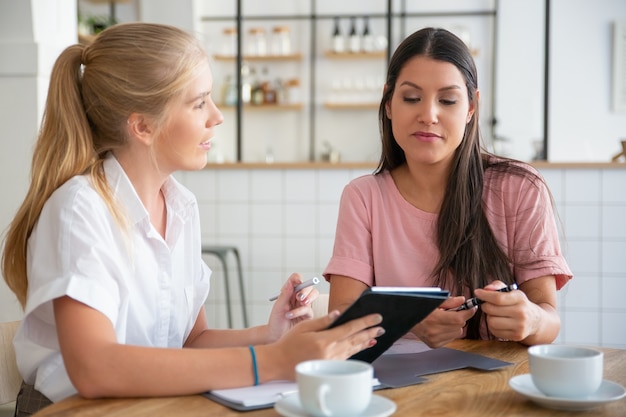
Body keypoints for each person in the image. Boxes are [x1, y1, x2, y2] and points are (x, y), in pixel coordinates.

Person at [1, 22, 384, 415]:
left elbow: (190, 340)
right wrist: (270, 362)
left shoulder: (181, 206)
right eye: (199, 102)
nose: (216, 116)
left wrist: (271, 338)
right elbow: (94, 368)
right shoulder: (79, 210)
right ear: (143, 126)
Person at [324, 27, 572, 349]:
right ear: (388, 103)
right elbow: (342, 326)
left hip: (496, 390)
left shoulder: (519, 188)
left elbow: (549, 320)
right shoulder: (363, 197)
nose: (428, 115)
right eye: (411, 98)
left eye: (448, 100)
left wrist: (531, 319)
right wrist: (407, 323)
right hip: (401, 393)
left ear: (471, 107)